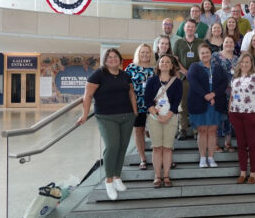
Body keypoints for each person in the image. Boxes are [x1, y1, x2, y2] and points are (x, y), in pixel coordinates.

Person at [77, 48, 137, 201]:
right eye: (109, 57)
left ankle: (117, 176)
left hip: (127, 116)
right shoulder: (99, 74)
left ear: (120, 59)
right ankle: (108, 180)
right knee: (112, 146)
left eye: (115, 57)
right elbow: (88, 94)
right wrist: (84, 114)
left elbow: (131, 93)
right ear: (105, 60)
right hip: (106, 117)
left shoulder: (125, 75)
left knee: (123, 146)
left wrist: (135, 111)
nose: (112, 59)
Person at [144, 54, 183, 188]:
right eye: (162, 62)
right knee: (157, 147)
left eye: (168, 62)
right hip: (154, 118)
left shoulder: (177, 82)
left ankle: (166, 176)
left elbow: (177, 101)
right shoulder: (152, 81)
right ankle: (157, 176)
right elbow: (147, 100)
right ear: (158, 65)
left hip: (171, 118)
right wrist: (156, 114)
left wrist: (168, 116)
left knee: (167, 148)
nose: (165, 64)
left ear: (172, 66)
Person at [187, 44, 228, 168]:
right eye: (202, 53)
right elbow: (193, 82)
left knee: (212, 131)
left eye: (207, 52)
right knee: (202, 131)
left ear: (211, 54)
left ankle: (211, 157)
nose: (205, 55)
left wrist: (214, 94)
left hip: (215, 103)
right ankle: (202, 158)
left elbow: (224, 83)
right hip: (200, 103)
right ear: (199, 55)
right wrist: (206, 95)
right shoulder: (194, 67)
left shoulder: (218, 68)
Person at [229, 53, 255, 184]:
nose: (244, 64)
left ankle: (253, 173)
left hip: (251, 114)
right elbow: (232, 96)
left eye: (247, 62)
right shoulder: (235, 78)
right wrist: (230, 113)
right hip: (236, 114)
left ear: (251, 63)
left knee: (252, 144)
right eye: (242, 62)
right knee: (241, 144)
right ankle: (243, 172)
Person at [173, 19, 205, 140]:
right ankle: (183, 129)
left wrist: (192, 73)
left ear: (195, 29)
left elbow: (204, 58)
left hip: (197, 78)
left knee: (196, 104)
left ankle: (196, 130)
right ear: (184, 28)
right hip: (183, 78)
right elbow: (175, 59)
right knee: (183, 105)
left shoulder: (200, 42)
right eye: (188, 27)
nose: (190, 29)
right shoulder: (178, 43)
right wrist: (185, 71)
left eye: (192, 27)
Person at [125, 44, 155, 171]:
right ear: (138, 53)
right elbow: (124, 87)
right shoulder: (131, 68)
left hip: (153, 105)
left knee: (156, 132)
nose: (145, 54)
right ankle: (142, 158)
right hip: (137, 105)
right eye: (142, 52)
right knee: (139, 131)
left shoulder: (154, 69)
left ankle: (160, 157)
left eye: (147, 52)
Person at [211, 36, 239, 152]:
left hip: (234, 93)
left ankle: (228, 143)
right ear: (223, 43)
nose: (229, 44)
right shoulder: (216, 56)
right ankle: (216, 143)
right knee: (218, 117)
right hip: (219, 91)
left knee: (230, 117)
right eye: (226, 42)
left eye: (231, 42)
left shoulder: (238, 59)